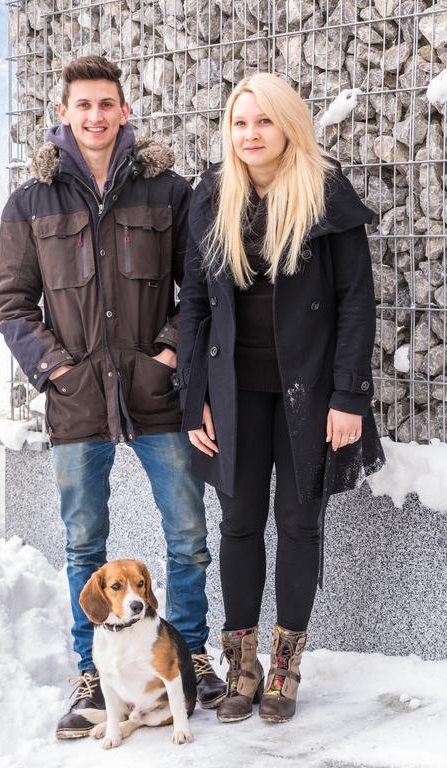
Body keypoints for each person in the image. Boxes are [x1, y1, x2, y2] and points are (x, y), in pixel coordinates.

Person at [0, 55, 225, 739]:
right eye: (82, 105)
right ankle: (92, 677)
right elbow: (10, 304)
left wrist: (166, 355)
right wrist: (57, 372)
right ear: (61, 112)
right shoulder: (28, 203)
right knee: (82, 545)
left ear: (125, 111)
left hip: (156, 397)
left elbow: (203, 287)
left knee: (187, 536)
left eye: (106, 104)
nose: (94, 116)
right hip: (76, 404)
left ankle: (189, 655)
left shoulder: (170, 193)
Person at [174, 72, 385, 724]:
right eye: (239, 123)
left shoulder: (325, 194)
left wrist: (348, 396)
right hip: (231, 396)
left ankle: (285, 667)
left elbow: (355, 302)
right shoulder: (211, 196)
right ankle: (243, 664)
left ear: (287, 125)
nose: (249, 135)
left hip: (310, 396)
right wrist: (192, 400)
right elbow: (194, 307)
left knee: (296, 525)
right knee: (237, 525)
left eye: (262, 121)